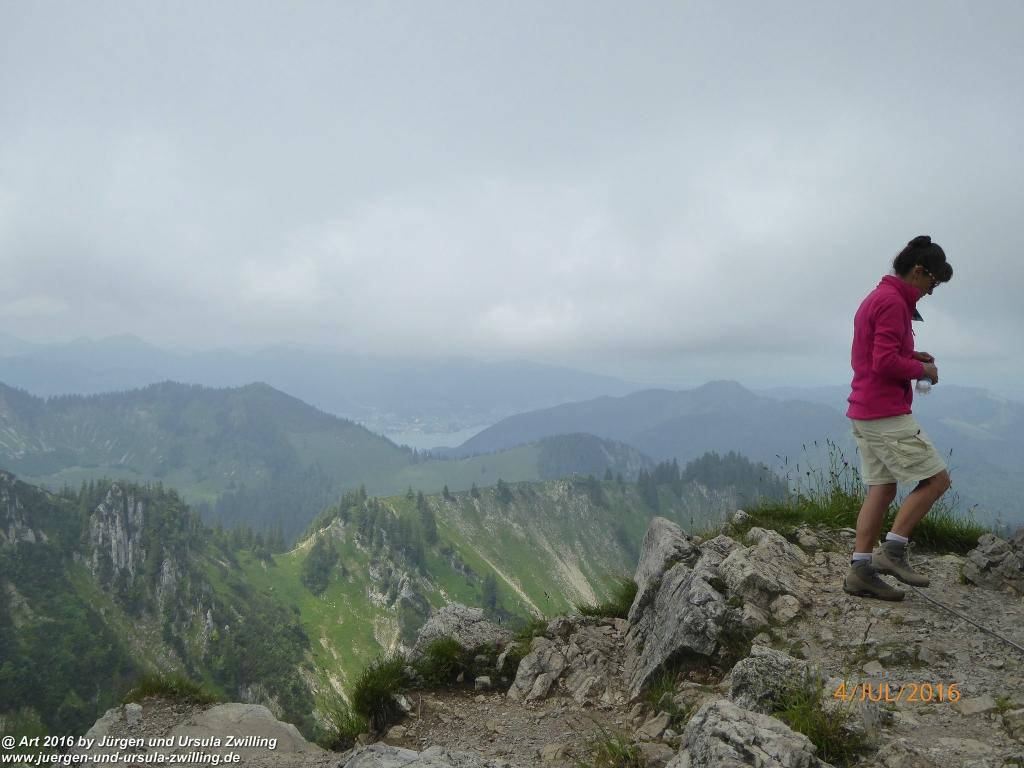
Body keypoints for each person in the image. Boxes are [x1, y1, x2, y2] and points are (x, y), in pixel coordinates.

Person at [842, 235, 953, 601]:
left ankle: (860, 572)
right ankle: (892, 552)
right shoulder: (892, 302)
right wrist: (924, 370)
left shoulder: (881, 297)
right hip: (885, 412)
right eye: (933, 282)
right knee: (936, 480)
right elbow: (884, 362)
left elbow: (881, 351)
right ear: (919, 271)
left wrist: (913, 354)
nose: (932, 291)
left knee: (883, 488)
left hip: (865, 410)